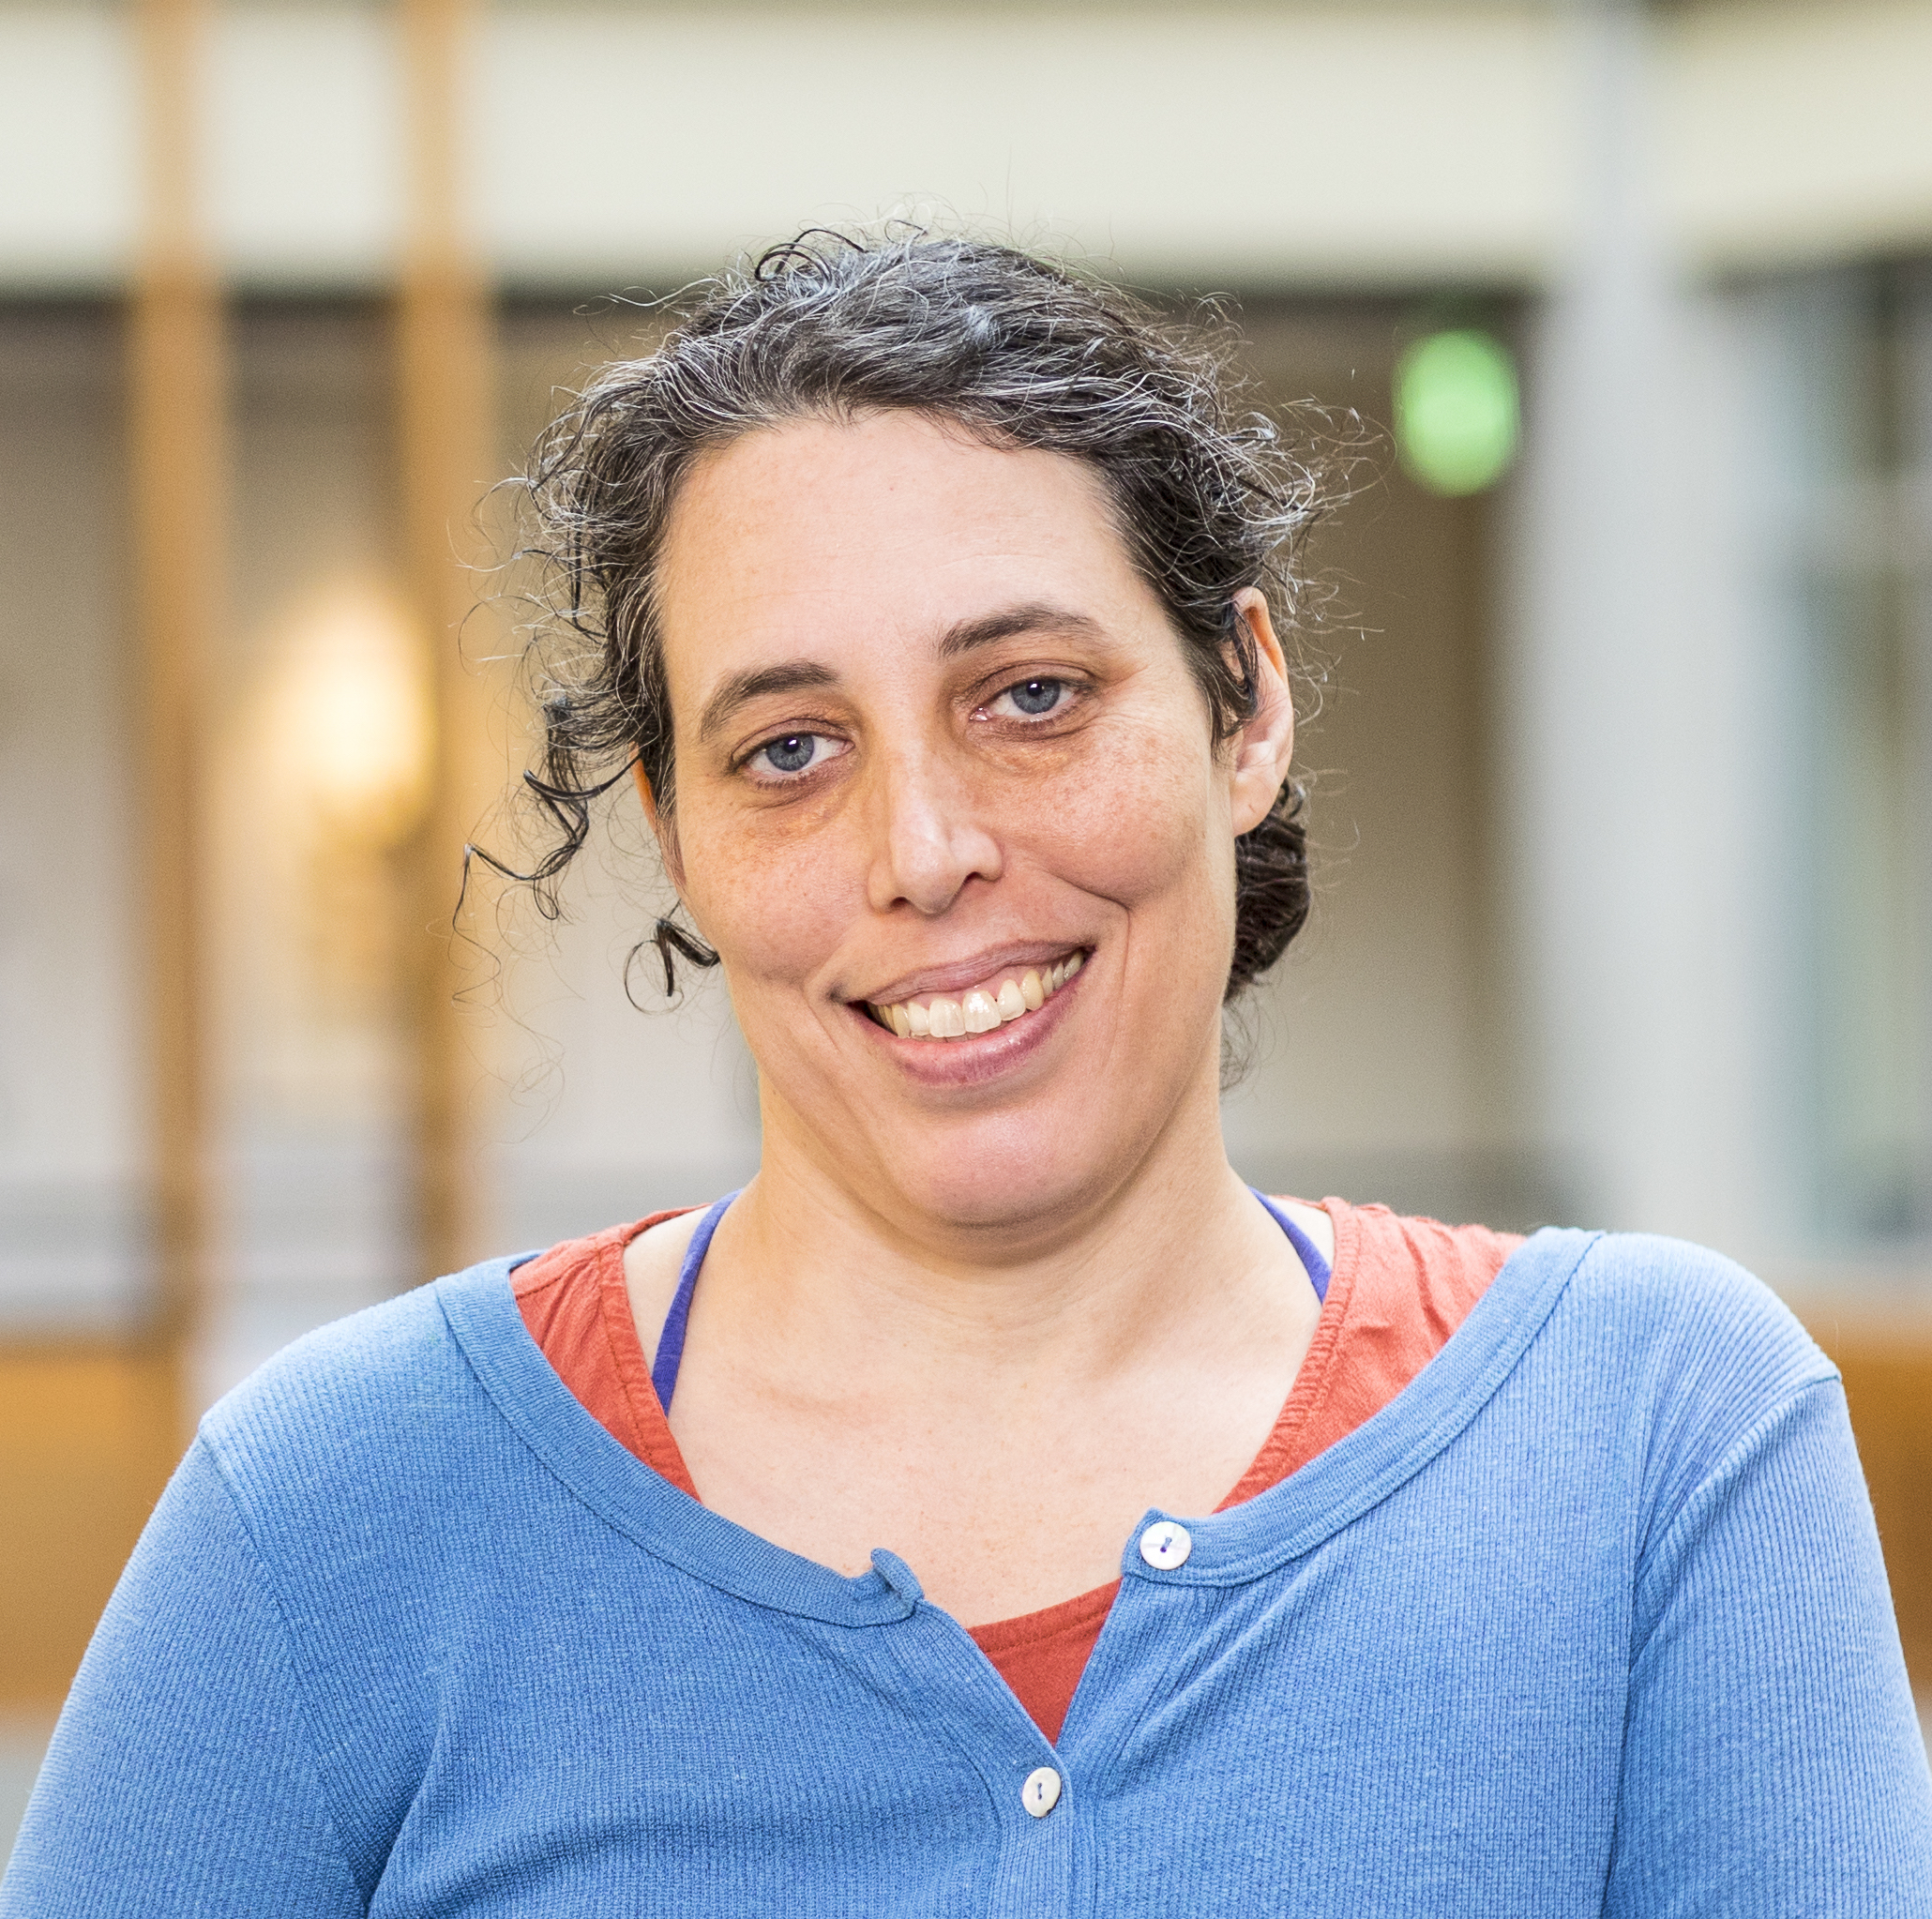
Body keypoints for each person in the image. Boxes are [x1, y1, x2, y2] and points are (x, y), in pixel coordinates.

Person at [6, 230, 1930, 1917]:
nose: (919, 847)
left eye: (1028, 695)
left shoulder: (1653, 1449)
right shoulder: (335, 1512)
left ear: (1241, 709)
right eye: (785, 749)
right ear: (674, 832)